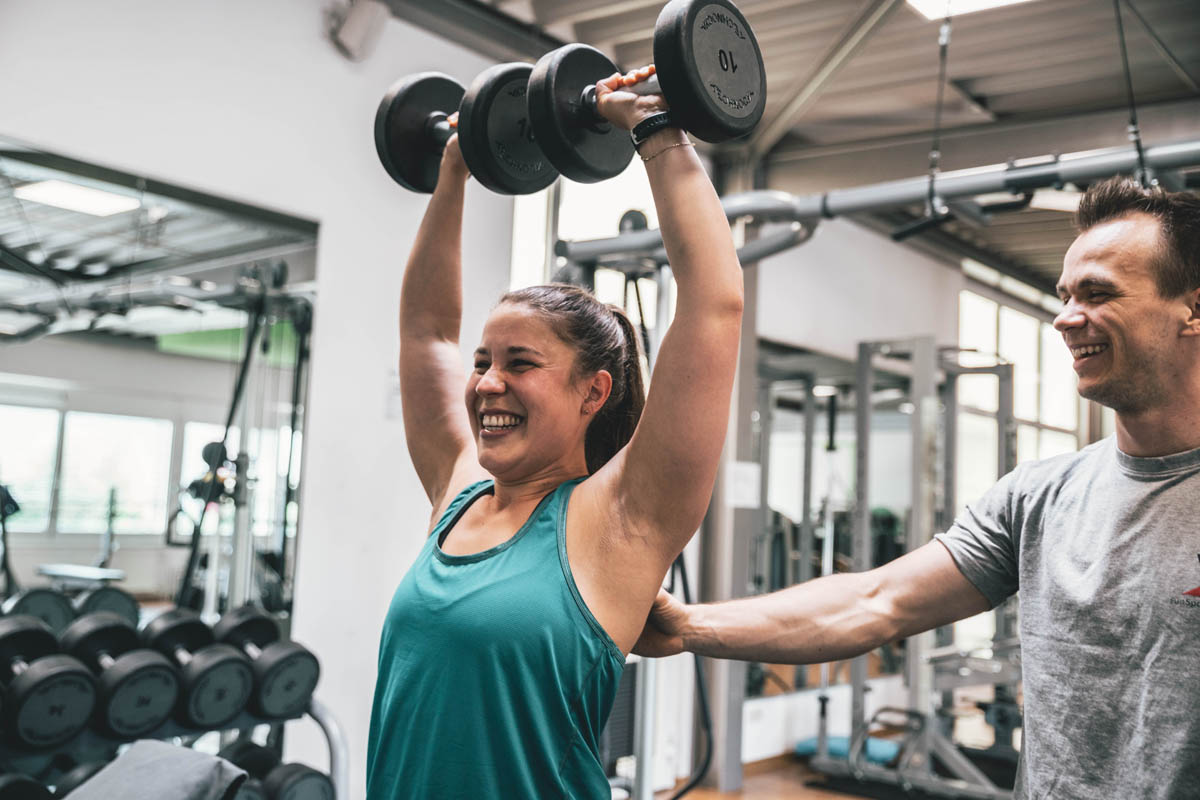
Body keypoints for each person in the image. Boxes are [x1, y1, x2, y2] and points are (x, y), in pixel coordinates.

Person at [634, 177, 1200, 799]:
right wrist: (687, 626)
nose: (1066, 318)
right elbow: (877, 601)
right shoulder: (1038, 497)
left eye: (1099, 293)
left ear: (1192, 310)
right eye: (1064, 294)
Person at [366, 69, 745, 799]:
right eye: (483, 363)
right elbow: (426, 333)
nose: (485, 385)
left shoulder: (622, 521)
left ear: (592, 392)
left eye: (520, 363)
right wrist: (454, 165)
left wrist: (654, 130)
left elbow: (714, 305)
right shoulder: (461, 491)